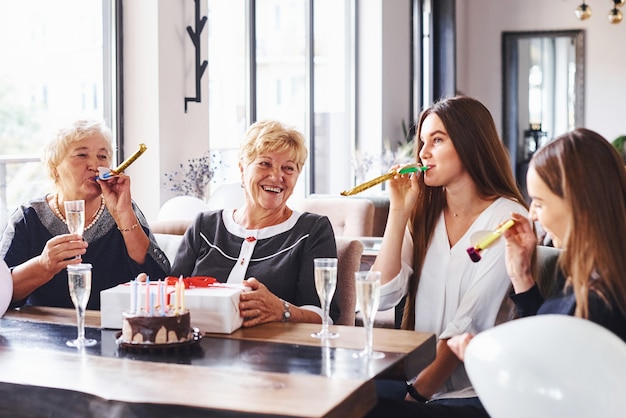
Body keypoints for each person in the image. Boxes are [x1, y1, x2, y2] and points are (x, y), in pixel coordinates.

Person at [368, 96, 529, 418]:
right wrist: (399, 211)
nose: (423, 153)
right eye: (423, 142)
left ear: (471, 144)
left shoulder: (507, 219)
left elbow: (466, 326)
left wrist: (415, 395)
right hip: (415, 381)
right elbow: (382, 296)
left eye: (437, 140)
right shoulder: (425, 214)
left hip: (474, 391)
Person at [448, 128, 626, 363]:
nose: (531, 214)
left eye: (540, 204)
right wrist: (522, 277)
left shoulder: (602, 302)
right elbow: (542, 341)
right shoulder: (578, 269)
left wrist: (482, 360)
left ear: (580, 205)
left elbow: (548, 379)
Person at [170, 119, 339, 327]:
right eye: (265, 163)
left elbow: (324, 316)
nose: (277, 176)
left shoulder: (312, 230)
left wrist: (281, 310)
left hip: (274, 354)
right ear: (242, 169)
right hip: (198, 348)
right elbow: (171, 294)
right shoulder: (205, 226)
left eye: (288, 168)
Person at [0, 119, 170, 310]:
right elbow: (3, 292)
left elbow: (159, 279)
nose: (94, 165)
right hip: (44, 333)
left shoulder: (126, 209)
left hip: (111, 329)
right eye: (81, 155)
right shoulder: (28, 217)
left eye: (102, 156)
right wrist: (43, 265)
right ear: (54, 168)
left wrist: (124, 215)